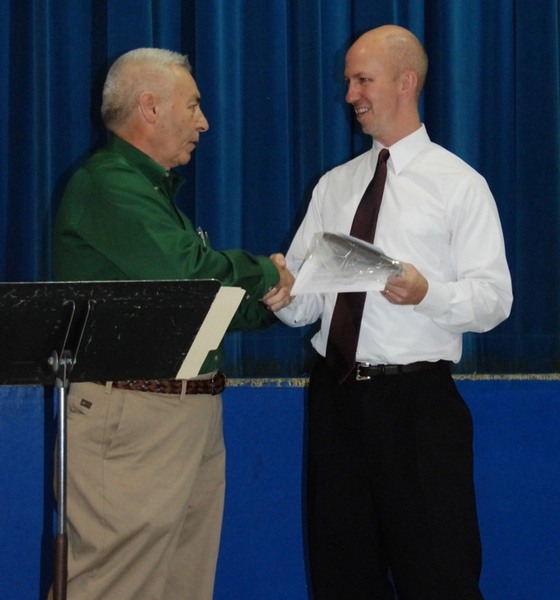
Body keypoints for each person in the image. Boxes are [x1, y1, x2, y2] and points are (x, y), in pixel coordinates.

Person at [268, 25, 513, 599]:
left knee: (440, 578)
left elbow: (494, 300)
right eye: (350, 81)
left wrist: (428, 291)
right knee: (342, 577)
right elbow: (307, 303)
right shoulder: (334, 186)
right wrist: (280, 291)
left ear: (406, 83)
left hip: (418, 411)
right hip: (335, 402)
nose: (350, 94)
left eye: (362, 80)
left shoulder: (459, 186)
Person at [52, 48, 293, 600]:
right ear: (150, 107)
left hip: (182, 413)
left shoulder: (149, 193)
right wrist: (262, 272)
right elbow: (188, 274)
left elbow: (190, 306)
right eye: (194, 105)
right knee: (116, 584)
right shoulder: (106, 185)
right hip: (134, 415)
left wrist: (266, 304)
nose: (204, 122)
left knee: (182, 586)